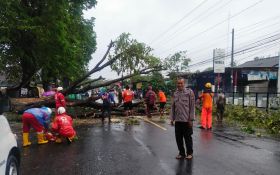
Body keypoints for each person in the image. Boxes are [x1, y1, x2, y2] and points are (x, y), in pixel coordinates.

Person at [170, 78, 195, 160]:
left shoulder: (189, 92)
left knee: (188, 138)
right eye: (178, 83)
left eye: (181, 83)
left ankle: (189, 153)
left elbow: (192, 107)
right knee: (178, 138)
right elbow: (173, 107)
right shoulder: (175, 94)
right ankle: (181, 153)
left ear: (184, 83)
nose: (179, 85)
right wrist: (172, 118)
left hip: (186, 120)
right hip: (178, 120)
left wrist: (191, 119)